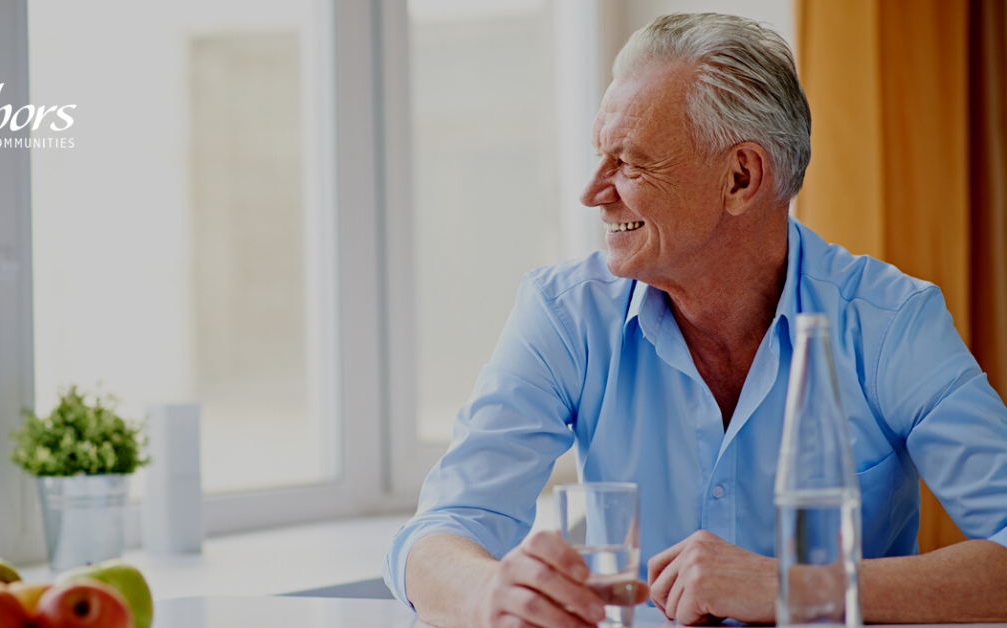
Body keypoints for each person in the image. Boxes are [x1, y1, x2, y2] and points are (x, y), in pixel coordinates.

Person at [382, 12, 1007, 628]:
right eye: (600, 155)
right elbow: (438, 532)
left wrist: (795, 587)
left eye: (629, 162)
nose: (593, 190)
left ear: (741, 177)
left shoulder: (890, 322)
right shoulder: (565, 314)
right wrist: (489, 593)